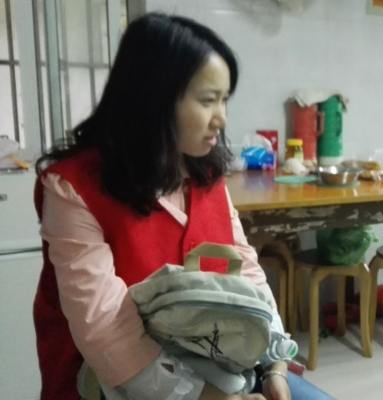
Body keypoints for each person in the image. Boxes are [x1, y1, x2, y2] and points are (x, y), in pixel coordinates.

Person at [33, 13, 331, 400]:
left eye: (224, 100)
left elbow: (247, 274)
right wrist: (213, 397)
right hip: (116, 382)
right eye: (208, 101)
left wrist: (274, 363)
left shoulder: (205, 174)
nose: (221, 119)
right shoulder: (73, 189)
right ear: (154, 99)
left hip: (217, 365)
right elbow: (106, 330)